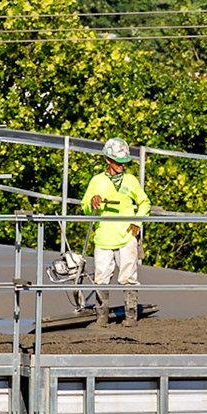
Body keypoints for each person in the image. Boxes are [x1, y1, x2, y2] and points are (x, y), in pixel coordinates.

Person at [82, 138, 151, 327]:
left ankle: (130, 317)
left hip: (126, 236)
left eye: (124, 162)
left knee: (129, 277)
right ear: (108, 160)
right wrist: (92, 203)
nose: (121, 166)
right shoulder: (97, 181)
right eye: (117, 162)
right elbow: (86, 207)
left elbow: (145, 203)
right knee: (101, 277)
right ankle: (101, 315)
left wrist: (137, 221)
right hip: (103, 237)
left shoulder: (131, 181)